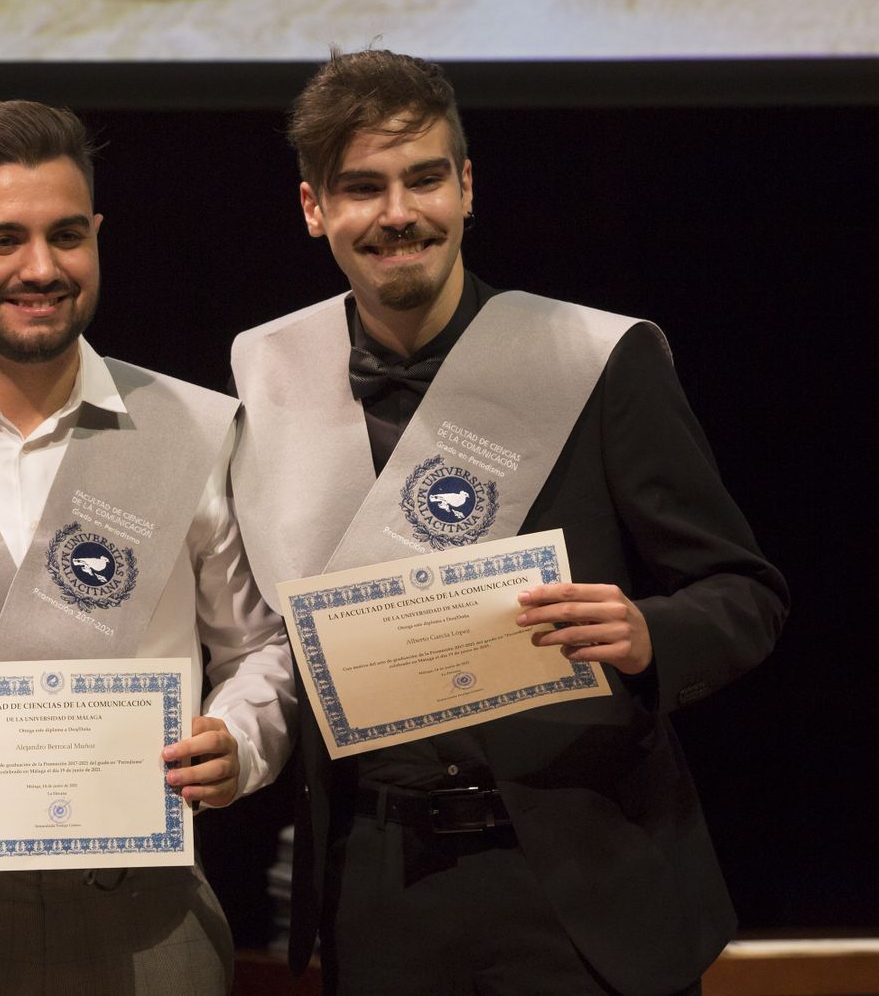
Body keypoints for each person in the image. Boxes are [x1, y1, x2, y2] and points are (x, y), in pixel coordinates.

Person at [229, 48, 789, 995]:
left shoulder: (597, 358)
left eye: (424, 179)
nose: (398, 213)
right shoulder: (269, 372)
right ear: (313, 208)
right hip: (381, 888)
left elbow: (747, 594)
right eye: (362, 187)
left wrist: (649, 632)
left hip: (584, 884)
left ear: (467, 186)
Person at [0, 100, 295, 995]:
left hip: (150, 912)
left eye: (67, 236)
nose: (42, 268)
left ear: (98, 237)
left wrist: (238, 739)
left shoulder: (195, 428)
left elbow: (260, 645)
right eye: (3, 240)